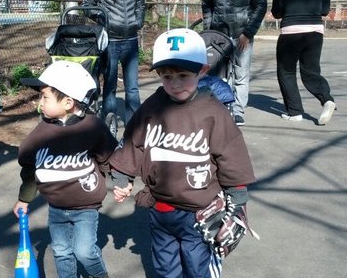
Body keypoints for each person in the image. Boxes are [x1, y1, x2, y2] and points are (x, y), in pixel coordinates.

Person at [110, 28, 256, 278]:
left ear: (202, 71)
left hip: (199, 211)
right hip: (161, 209)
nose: (174, 84)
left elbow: (231, 152)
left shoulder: (212, 111)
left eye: (183, 75)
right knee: (165, 267)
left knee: (197, 266)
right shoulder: (153, 107)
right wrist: (122, 177)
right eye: (166, 77)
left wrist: (238, 194)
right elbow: (134, 141)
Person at [15, 60, 117, 278]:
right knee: (61, 251)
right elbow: (31, 167)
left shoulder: (92, 127)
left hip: (86, 206)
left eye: (45, 97)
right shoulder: (42, 132)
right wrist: (24, 198)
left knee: (84, 251)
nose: (40, 103)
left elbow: (109, 154)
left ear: (68, 102)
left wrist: (119, 182)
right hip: (56, 207)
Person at [201, 0, 267, 126]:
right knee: (215, 73)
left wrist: (248, 33)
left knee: (240, 74)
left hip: (241, 35)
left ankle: (237, 111)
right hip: (217, 36)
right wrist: (208, 29)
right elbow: (206, 5)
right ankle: (216, 108)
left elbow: (260, 6)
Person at [82, 0, 145, 126]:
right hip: (110, 42)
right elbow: (87, 7)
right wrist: (105, 20)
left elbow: (141, 6)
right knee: (110, 87)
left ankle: (134, 126)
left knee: (132, 88)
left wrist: (137, 22)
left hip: (131, 41)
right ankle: (109, 126)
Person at [271, 0, 336, 125]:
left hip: (291, 32)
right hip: (315, 32)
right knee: (311, 72)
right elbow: (324, 10)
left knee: (286, 71)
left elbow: (276, 13)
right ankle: (326, 99)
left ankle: (295, 112)